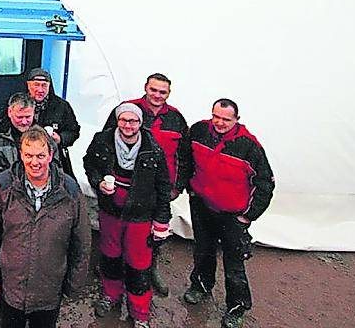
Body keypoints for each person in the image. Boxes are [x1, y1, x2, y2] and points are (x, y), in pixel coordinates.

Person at [178, 99, 275, 328]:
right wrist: (191, 189)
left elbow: (265, 184)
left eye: (226, 119)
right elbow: (185, 158)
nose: (219, 122)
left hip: (233, 215)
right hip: (202, 206)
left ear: (237, 120)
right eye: (216, 116)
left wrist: (248, 215)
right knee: (203, 251)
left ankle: (237, 308)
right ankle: (201, 285)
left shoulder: (249, 146)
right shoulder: (199, 131)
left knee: (234, 264)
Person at [0, 127, 88, 328]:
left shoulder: (70, 191)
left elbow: (81, 241)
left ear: (51, 155)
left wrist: (74, 284)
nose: (34, 162)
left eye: (40, 155)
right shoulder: (4, 185)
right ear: (20, 154)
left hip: (49, 289)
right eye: (28, 155)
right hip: (12, 287)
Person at [85, 103, 171, 328]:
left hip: (140, 214)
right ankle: (111, 294)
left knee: (139, 263)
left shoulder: (152, 148)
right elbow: (89, 164)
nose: (128, 125)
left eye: (133, 121)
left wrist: (162, 219)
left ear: (140, 123)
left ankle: (140, 311)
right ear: (117, 120)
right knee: (110, 254)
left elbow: (163, 186)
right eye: (123, 120)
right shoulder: (102, 140)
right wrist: (98, 182)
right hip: (111, 210)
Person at [102, 72, 189, 296]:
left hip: (158, 189)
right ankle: (115, 271)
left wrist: (176, 186)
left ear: (169, 93)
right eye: (154, 90)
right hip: (127, 186)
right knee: (122, 232)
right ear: (145, 88)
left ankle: (151, 271)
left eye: (163, 92)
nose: (157, 95)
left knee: (153, 234)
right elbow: (105, 142)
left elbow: (184, 155)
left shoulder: (176, 119)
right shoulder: (128, 110)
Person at [0, 93, 59, 181]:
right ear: (9, 112)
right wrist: (3, 176)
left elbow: (56, 166)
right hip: (1, 189)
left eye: (28, 117)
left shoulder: (44, 136)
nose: (24, 122)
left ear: (34, 112)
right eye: (19, 117)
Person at [25, 68, 81, 178]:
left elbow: (74, 131)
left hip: (53, 158)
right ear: (28, 85)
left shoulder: (61, 106)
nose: (40, 90)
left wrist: (61, 138)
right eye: (36, 85)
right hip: (26, 155)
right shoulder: (20, 104)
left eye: (44, 85)